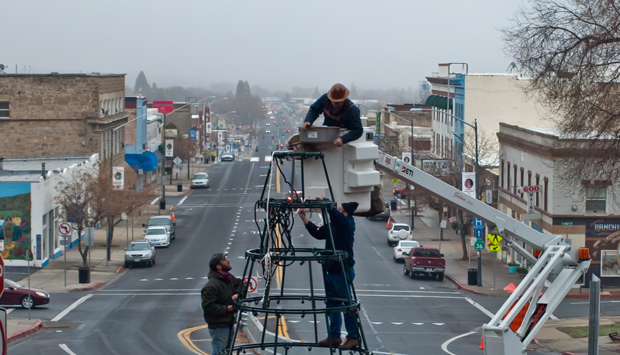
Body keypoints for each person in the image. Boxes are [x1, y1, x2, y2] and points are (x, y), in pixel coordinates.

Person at [298, 196, 359, 350]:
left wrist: (325, 200)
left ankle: (353, 336)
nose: (336, 212)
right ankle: (335, 335)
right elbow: (318, 233)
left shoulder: (346, 224)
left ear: (345, 213)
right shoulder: (334, 226)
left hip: (342, 269)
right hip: (332, 269)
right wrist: (305, 220)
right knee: (332, 304)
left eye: (339, 210)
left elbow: (335, 215)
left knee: (346, 303)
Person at [201, 253, 244, 355]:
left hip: (228, 323)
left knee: (227, 352)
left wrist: (237, 294)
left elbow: (242, 284)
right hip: (219, 327)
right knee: (220, 352)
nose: (228, 261)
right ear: (218, 266)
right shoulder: (212, 286)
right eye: (224, 260)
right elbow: (208, 307)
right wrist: (227, 309)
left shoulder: (227, 279)